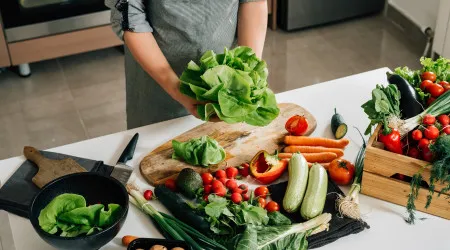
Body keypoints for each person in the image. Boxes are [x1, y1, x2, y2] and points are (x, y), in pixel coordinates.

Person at [105, 0, 268, 129]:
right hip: (157, 87)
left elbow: (254, 2)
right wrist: (177, 88)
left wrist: (246, 74)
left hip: (227, 87)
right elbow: (131, 17)